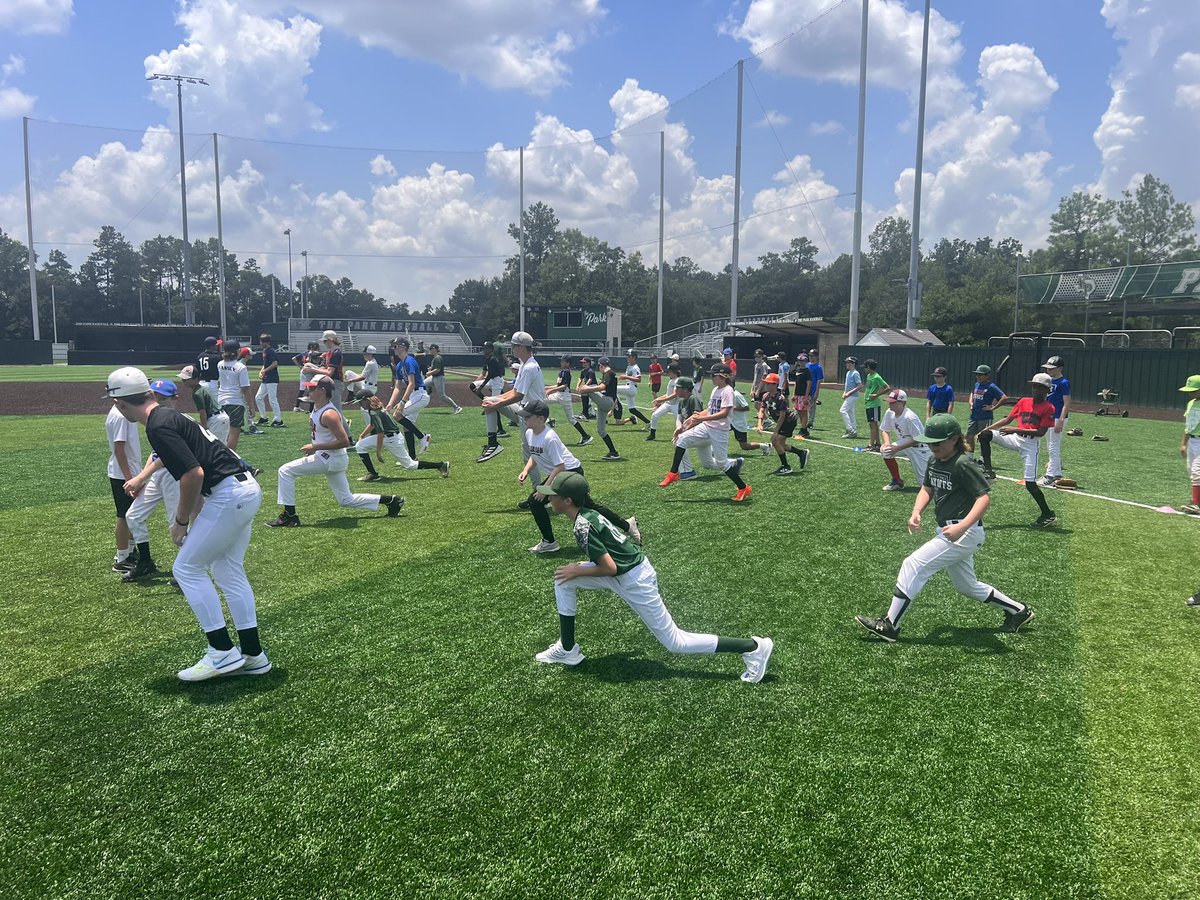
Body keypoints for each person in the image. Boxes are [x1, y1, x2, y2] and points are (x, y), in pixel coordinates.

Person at [106, 366, 271, 681]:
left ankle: (221, 652)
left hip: (229, 493)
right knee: (227, 570)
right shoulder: (171, 415)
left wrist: (181, 521)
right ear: (149, 393)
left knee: (186, 569)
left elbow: (192, 474)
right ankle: (253, 655)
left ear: (120, 403)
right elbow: (189, 461)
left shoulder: (157, 424)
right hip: (244, 488)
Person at [532, 470, 774, 682]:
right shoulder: (587, 514)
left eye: (552, 494)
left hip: (633, 579)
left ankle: (752, 647)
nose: (548, 498)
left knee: (676, 643)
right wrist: (578, 569)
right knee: (563, 579)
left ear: (567, 500)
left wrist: (578, 568)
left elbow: (610, 568)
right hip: (627, 570)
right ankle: (567, 649)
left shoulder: (583, 525)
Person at [854, 414, 1035, 643]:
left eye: (938, 442)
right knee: (967, 587)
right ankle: (1019, 611)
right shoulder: (934, 460)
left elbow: (984, 499)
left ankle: (890, 625)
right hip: (950, 531)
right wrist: (916, 511)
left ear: (954, 440)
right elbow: (927, 488)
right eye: (929, 442)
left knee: (913, 563)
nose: (933, 446)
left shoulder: (963, 463)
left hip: (964, 533)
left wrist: (963, 526)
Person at [268, 376, 405, 527]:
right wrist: (315, 448)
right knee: (346, 500)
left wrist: (315, 447)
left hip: (330, 459)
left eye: (312, 388)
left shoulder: (329, 414)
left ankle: (290, 516)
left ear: (322, 390)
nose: (309, 389)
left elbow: (344, 441)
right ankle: (392, 500)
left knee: (285, 471)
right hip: (331, 458)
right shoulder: (317, 408)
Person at [516, 400, 637, 554]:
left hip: (570, 472)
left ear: (540, 418)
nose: (524, 419)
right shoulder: (529, 433)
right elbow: (535, 454)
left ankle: (549, 542)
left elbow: (560, 466)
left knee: (535, 501)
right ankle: (627, 525)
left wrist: (545, 489)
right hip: (561, 473)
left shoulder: (549, 437)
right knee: (587, 506)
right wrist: (526, 470)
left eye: (527, 416)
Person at [658, 363, 752, 501]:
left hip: (719, 430)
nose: (711, 377)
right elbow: (710, 410)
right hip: (707, 427)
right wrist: (691, 419)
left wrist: (701, 418)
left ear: (722, 376)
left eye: (713, 375)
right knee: (681, 438)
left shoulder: (727, 391)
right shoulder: (716, 390)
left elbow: (724, 413)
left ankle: (743, 488)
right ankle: (673, 473)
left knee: (722, 463)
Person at [121, 379, 184, 582]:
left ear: (175, 399)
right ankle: (146, 562)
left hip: (174, 474)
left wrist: (140, 478)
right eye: (156, 397)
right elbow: (156, 453)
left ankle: (188, 570)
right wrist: (144, 478)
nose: (159, 401)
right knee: (134, 516)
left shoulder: (176, 419)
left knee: (177, 527)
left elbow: (168, 456)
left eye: (164, 398)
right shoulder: (154, 419)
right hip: (157, 474)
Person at [979, 373, 1058, 528]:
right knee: (985, 435)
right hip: (1015, 438)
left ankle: (1048, 514)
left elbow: (1041, 432)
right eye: (1035, 386)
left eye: (1040, 387)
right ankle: (989, 471)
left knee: (1030, 484)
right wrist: (986, 429)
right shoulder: (1024, 401)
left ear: (1047, 390)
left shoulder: (1049, 407)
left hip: (1030, 445)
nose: (1036, 390)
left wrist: (1014, 429)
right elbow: (1008, 419)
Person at [481, 331, 548, 463]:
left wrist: (496, 405)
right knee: (490, 400)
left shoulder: (529, 367)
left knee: (531, 455)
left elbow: (518, 395)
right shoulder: (524, 365)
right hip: (526, 409)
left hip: (533, 414)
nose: (512, 349)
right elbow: (514, 391)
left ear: (521, 348)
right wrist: (495, 401)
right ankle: (493, 443)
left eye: (514, 346)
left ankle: (542, 483)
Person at [353, 394, 450, 482]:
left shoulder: (375, 411)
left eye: (361, 402)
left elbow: (380, 433)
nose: (360, 405)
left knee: (410, 465)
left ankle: (440, 465)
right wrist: (362, 435)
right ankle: (373, 474)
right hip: (389, 437)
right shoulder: (374, 408)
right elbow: (373, 424)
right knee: (360, 445)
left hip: (393, 439)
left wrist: (378, 452)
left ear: (367, 400)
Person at [106, 379, 142, 574]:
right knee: (124, 515)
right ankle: (121, 558)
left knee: (130, 514)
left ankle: (128, 551)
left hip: (126, 471)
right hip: (124, 473)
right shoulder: (121, 416)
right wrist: (129, 478)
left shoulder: (122, 412)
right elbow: (119, 449)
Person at [384, 337, 432, 459]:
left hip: (420, 395)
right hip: (414, 395)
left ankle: (422, 436)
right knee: (407, 425)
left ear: (403, 347)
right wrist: (390, 403)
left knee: (397, 415)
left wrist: (402, 402)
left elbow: (412, 384)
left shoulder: (409, 361)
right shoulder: (399, 365)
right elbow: (397, 387)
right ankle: (412, 458)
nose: (393, 348)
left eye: (395, 346)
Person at [473, 341, 519, 461]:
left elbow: (491, 375)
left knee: (494, 405)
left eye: (487, 348)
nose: (485, 350)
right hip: (492, 381)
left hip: (497, 381)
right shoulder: (487, 359)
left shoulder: (493, 359)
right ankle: (487, 403)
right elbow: (484, 374)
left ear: (491, 350)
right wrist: (478, 385)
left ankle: (500, 430)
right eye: (484, 348)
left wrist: (481, 387)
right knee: (472, 386)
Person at [879, 390, 931, 492]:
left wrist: (897, 448)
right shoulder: (889, 412)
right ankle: (897, 481)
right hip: (905, 443)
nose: (890, 404)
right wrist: (887, 443)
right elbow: (885, 430)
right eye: (890, 402)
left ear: (902, 403)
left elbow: (919, 438)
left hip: (920, 448)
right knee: (886, 450)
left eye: (893, 402)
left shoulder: (910, 417)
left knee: (925, 485)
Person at [760, 373, 810, 475]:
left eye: (769, 384)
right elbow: (761, 409)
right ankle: (801, 453)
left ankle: (786, 466)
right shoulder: (766, 396)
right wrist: (759, 423)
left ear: (775, 385)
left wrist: (775, 431)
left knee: (776, 442)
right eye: (766, 383)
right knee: (781, 444)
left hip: (788, 421)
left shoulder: (780, 398)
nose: (766, 385)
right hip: (782, 422)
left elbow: (782, 416)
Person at [576, 356, 623, 460]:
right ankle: (613, 452)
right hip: (606, 402)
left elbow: (602, 387)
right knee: (601, 431)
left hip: (606, 401)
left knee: (586, 389)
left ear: (601, 365)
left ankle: (585, 414)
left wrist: (587, 388)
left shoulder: (608, 373)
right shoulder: (610, 373)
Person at [215, 340, 257, 452]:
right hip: (235, 402)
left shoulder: (220, 364)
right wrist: (251, 407)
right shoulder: (240, 367)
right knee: (234, 434)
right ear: (238, 351)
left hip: (221, 401)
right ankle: (230, 459)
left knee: (224, 433)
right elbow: (245, 388)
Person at [1039, 355, 1071, 486]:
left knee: (1053, 446)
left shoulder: (1064, 383)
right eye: (1048, 368)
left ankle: (1050, 476)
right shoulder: (1048, 381)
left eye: (1052, 369)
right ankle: (1057, 474)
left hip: (1058, 417)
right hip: (1048, 417)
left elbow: (1067, 403)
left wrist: (1061, 420)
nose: (1049, 371)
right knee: (1050, 446)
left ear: (1060, 368)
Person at [177, 365, 230, 444]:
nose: (183, 381)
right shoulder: (200, 389)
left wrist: (204, 428)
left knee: (215, 446)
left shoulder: (197, 393)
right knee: (219, 446)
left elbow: (202, 412)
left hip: (216, 419)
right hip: (219, 418)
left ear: (195, 379)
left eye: (186, 379)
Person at [547, 355, 593, 445]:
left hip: (564, 396)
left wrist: (550, 390)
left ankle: (586, 436)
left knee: (571, 419)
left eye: (563, 361)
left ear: (568, 363)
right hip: (559, 395)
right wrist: (547, 388)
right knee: (540, 401)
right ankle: (548, 421)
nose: (561, 363)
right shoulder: (562, 371)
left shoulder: (566, 371)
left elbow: (564, 386)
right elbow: (558, 386)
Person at [964, 364, 1007, 455]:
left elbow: (1004, 397)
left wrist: (993, 407)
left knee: (983, 438)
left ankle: (983, 460)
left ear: (987, 376)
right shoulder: (977, 384)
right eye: (977, 374)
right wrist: (971, 402)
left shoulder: (991, 386)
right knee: (969, 436)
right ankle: (970, 457)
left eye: (980, 375)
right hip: (974, 416)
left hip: (985, 417)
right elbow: (972, 393)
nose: (978, 377)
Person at [1178, 374, 1200, 515]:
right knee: (1191, 471)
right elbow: (1188, 425)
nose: (1191, 393)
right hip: (1192, 441)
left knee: (1197, 471)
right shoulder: (1191, 403)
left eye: (1194, 390)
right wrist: (1183, 443)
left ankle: (1196, 503)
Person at [310, 330, 347, 414]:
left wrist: (312, 369)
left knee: (336, 411)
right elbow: (326, 369)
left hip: (335, 383)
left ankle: (344, 426)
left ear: (330, 340)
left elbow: (329, 372)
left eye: (325, 341)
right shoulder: (331, 352)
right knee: (331, 409)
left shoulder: (336, 353)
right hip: (331, 383)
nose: (324, 343)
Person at [252, 333, 285, 428]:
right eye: (262, 341)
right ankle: (263, 418)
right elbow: (265, 364)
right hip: (267, 379)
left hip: (272, 378)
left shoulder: (270, 351)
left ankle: (278, 420)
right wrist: (261, 371)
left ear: (268, 342)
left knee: (272, 399)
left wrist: (265, 371)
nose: (262, 343)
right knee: (258, 397)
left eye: (264, 341)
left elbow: (275, 364)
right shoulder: (265, 350)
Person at [646, 362, 683, 441]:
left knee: (679, 421)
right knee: (655, 415)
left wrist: (661, 400)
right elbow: (668, 394)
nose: (668, 373)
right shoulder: (671, 381)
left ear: (674, 372)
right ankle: (652, 435)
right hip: (668, 404)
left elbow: (674, 395)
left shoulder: (677, 381)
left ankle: (681, 437)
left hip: (675, 405)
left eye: (669, 371)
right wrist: (658, 399)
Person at [424, 343, 463, 414]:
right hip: (433, 378)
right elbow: (435, 368)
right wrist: (430, 369)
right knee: (423, 384)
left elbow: (438, 369)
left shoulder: (438, 358)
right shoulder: (435, 358)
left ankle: (457, 407)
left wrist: (429, 373)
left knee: (442, 396)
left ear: (435, 349)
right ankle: (424, 398)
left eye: (431, 349)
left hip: (439, 378)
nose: (430, 350)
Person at [862, 359, 890, 452]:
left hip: (874, 404)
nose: (864, 369)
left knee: (873, 424)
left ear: (869, 367)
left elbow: (887, 387)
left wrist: (877, 395)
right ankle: (877, 444)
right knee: (872, 424)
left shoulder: (877, 377)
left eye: (865, 367)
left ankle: (871, 444)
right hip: (868, 403)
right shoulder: (869, 375)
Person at [618, 350, 651, 426]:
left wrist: (626, 376)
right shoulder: (629, 366)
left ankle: (613, 407)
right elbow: (628, 378)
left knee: (612, 389)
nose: (627, 358)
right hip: (629, 387)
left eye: (629, 356)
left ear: (634, 357)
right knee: (632, 409)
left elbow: (639, 379)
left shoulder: (635, 367)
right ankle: (648, 422)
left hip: (631, 388)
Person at [291, 342, 321, 413]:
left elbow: (294, 358)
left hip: (303, 372)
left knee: (302, 389)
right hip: (310, 372)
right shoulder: (315, 354)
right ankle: (311, 409)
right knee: (312, 388)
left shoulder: (304, 353)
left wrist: (300, 366)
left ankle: (297, 406)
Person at [840, 356, 863, 439]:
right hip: (849, 395)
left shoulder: (855, 373)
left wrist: (848, 393)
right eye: (846, 362)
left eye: (848, 362)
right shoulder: (848, 372)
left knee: (842, 411)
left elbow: (860, 385)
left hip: (853, 396)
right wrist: (844, 393)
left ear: (853, 363)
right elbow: (847, 385)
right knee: (851, 413)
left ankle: (850, 430)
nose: (847, 364)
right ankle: (853, 430)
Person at [791, 353, 812, 437]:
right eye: (800, 360)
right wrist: (794, 394)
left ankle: (803, 429)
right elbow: (796, 383)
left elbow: (809, 384)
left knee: (804, 412)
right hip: (798, 395)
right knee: (799, 412)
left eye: (803, 360)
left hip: (804, 395)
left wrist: (806, 397)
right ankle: (803, 428)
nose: (801, 362)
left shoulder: (807, 371)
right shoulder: (798, 371)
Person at [195, 335, 221, 400]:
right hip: (212, 385)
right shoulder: (217, 357)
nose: (217, 346)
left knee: (205, 407)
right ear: (212, 346)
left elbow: (197, 372)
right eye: (216, 345)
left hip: (201, 384)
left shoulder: (200, 356)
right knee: (216, 406)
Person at [805, 350, 824, 429]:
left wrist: (816, 392)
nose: (811, 357)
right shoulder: (807, 365)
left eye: (812, 356)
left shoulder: (818, 367)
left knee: (812, 407)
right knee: (802, 405)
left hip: (813, 389)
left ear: (816, 357)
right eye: (810, 356)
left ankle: (810, 422)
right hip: (805, 389)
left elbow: (819, 380)